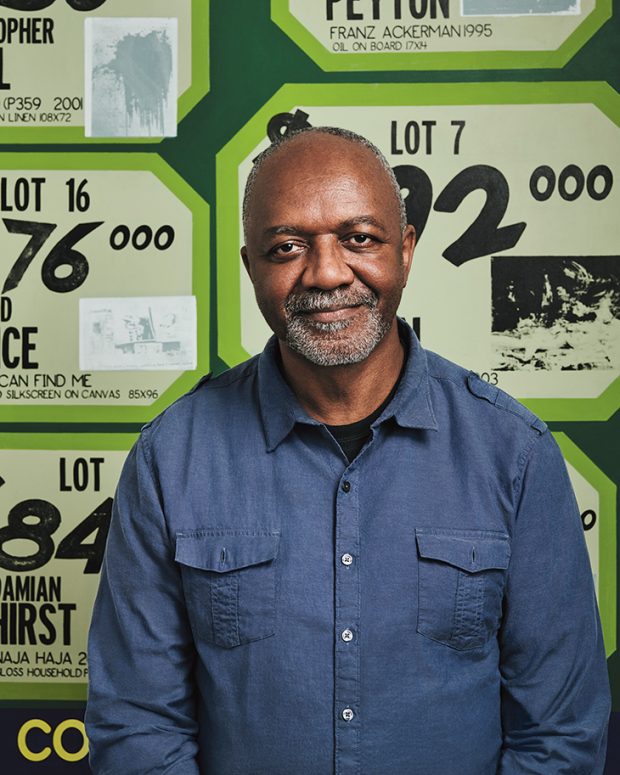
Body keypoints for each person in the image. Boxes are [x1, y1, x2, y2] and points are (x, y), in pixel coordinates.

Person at [85, 127, 611, 774]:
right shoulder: (170, 459)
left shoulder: (516, 453)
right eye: (287, 246)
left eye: (359, 238)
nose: (328, 272)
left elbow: (558, 734)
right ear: (251, 266)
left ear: (407, 249)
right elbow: (138, 726)